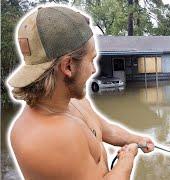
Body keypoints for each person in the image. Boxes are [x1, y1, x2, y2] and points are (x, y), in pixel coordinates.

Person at [7, 5, 154, 180]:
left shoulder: (73, 100)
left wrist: (137, 140)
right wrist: (127, 159)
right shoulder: (47, 136)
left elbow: (106, 130)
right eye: (91, 59)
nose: (94, 70)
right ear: (68, 66)